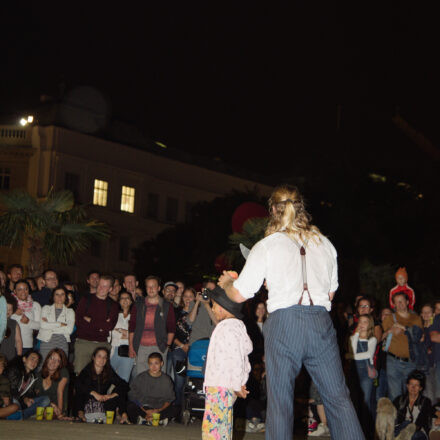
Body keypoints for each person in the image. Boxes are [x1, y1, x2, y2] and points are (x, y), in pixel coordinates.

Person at [218, 185, 365, 440]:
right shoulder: (326, 244)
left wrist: (227, 283)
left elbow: (240, 294)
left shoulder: (267, 245)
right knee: (338, 399)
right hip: (320, 323)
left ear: (273, 210)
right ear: (301, 208)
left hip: (285, 324)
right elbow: (330, 295)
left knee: (281, 402)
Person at [202, 285, 252, 440]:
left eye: (214, 305)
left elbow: (236, 360)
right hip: (224, 386)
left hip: (220, 386)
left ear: (222, 307)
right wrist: (241, 382)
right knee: (221, 428)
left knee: (214, 431)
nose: (213, 309)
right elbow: (244, 360)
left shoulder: (227, 328)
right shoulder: (235, 328)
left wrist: (237, 385)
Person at [128, 276, 175, 375]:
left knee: (159, 378)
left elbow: (171, 328)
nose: (151, 289)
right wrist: (131, 346)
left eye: (153, 286)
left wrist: (167, 345)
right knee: (142, 377)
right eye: (148, 287)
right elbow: (132, 326)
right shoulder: (138, 304)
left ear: (158, 288)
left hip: (159, 346)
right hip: (141, 347)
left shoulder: (166, 305)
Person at [74, 275, 119, 374]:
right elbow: (78, 321)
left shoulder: (113, 305)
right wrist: (101, 325)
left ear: (110, 289)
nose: (101, 288)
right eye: (99, 285)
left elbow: (109, 326)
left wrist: (90, 320)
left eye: (105, 286)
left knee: (99, 375)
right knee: (80, 373)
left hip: (101, 344)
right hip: (83, 342)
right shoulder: (86, 299)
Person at [382, 292, 423, 401]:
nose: (399, 304)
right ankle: (397, 418)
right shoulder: (389, 318)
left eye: (402, 301)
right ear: (394, 305)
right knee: (395, 396)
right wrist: (390, 331)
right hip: (393, 361)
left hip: (411, 362)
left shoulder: (416, 318)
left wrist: (402, 327)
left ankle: (408, 417)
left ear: (407, 302)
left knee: (410, 395)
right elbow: (381, 337)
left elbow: (418, 336)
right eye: (396, 302)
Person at [75, 347, 129, 423]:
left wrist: (112, 395)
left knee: (120, 391)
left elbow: (124, 384)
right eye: (99, 356)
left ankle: (123, 415)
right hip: (87, 400)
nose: (102, 359)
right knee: (80, 391)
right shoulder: (87, 370)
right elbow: (78, 384)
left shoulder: (108, 371)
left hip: (104, 402)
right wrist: (93, 393)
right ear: (93, 357)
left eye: (105, 357)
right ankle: (80, 414)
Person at [347, 314, 377, 437]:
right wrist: (356, 335)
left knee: (365, 401)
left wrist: (351, 356)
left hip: (365, 372)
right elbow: (352, 349)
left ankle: (366, 430)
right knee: (354, 400)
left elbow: (368, 355)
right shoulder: (355, 337)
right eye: (360, 322)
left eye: (365, 322)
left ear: (370, 324)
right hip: (354, 372)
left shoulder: (372, 339)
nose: (362, 324)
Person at [127, 352, 176, 425]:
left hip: (159, 408)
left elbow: (169, 399)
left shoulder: (167, 380)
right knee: (130, 406)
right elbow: (132, 396)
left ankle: (149, 419)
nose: (154, 367)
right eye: (151, 364)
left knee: (176, 409)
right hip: (144, 407)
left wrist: (158, 410)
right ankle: (152, 418)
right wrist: (146, 411)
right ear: (148, 364)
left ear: (161, 364)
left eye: (156, 363)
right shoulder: (141, 377)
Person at [169, 287, 195, 407]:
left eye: (191, 296)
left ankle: (189, 408)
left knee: (192, 381)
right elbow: (170, 331)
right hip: (179, 348)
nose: (188, 298)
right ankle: (177, 408)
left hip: (195, 350)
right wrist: (182, 345)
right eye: (185, 296)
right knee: (179, 381)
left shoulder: (199, 312)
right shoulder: (176, 312)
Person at [6, 350, 50, 419]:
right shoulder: (14, 370)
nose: (34, 363)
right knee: (15, 404)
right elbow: (12, 391)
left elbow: (29, 393)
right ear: (24, 359)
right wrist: (24, 399)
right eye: (32, 359)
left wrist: (30, 397)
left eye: (36, 361)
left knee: (46, 400)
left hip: (21, 402)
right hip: (10, 399)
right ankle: (18, 414)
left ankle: (21, 415)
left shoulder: (32, 377)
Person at [37, 287, 75, 363]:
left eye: (62, 294)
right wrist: (60, 324)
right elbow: (43, 325)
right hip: (46, 342)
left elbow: (69, 330)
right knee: (43, 366)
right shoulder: (46, 308)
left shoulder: (70, 311)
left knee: (60, 368)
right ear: (53, 296)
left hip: (62, 343)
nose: (60, 297)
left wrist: (49, 325)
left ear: (65, 297)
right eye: (57, 294)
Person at [393, 371, 431, 440]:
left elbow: (420, 422)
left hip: (418, 431)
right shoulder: (399, 400)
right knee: (404, 424)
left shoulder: (426, 402)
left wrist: (407, 431)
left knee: (413, 434)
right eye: (411, 384)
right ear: (407, 385)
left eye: (417, 385)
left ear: (420, 388)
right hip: (400, 429)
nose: (413, 387)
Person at [34, 348, 70, 419]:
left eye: (57, 361)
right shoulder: (38, 375)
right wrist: (50, 403)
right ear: (47, 359)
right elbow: (35, 396)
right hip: (42, 406)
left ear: (60, 364)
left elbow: (60, 392)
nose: (53, 362)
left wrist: (60, 412)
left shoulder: (63, 372)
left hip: (56, 409)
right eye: (52, 358)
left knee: (46, 413)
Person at [109, 291, 134, 382]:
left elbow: (137, 334)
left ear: (131, 301)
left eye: (127, 298)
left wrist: (123, 332)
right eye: (122, 298)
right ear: (119, 301)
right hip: (114, 349)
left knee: (123, 380)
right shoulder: (114, 315)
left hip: (128, 351)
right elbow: (110, 332)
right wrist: (124, 333)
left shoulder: (135, 316)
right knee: (108, 378)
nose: (125, 300)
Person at [11, 279, 41, 354]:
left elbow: (39, 325)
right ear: (14, 291)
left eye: (26, 289)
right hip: (10, 344)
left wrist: (28, 322)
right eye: (19, 289)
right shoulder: (10, 304)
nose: (23, 292)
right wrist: (13, 311)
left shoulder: (35, 305)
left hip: (26, 345)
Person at [188, 280, 218, 346]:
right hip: (196, 342)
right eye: (209, 289)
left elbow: (217, 324)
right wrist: (197, 302)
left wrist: (207, 304)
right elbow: (190, 321)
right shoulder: (194, 303)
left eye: (214, 290)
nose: (211, 292)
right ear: (203, 290)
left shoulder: (217, 305)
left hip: (212, 343)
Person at [420, 304, 435, 403]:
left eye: (428, 312)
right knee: (424, 394)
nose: (426, 314)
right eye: (424, 312)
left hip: (432, 365)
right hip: (421, 365)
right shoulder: (420, 329)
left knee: (431, 394)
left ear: (433, 314)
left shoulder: (435, 329)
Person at [0, 296, 23, 361]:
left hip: (9, 355)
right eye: (6, 308)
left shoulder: (14, 323)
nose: (8, 311)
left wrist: (19, 356)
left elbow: (18, 341)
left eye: (10, 309)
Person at [0, 354, 20, 419]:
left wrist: (7, 401)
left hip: (1, 407)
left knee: (15, 407)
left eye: (1, 366)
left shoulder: (5, 380)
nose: (0, 368)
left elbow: (7, 399)